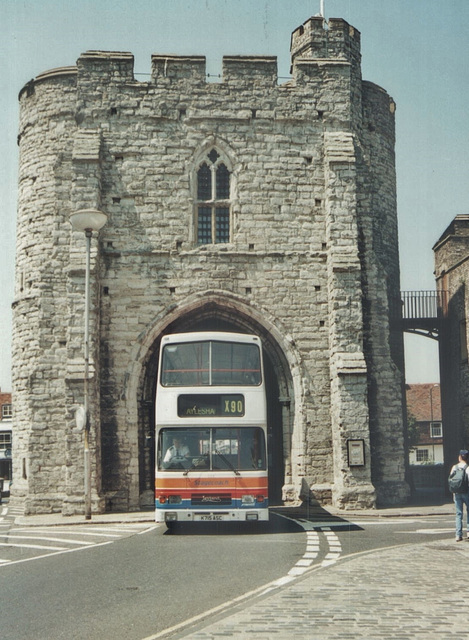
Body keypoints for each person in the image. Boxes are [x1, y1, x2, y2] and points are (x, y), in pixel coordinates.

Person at [450, 449, 469, 541]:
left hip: (457, 493)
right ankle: (468, 532)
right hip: (466, 492)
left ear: (460, 457)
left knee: (459, 514)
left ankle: (458, 535)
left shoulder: (454, 467)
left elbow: (451, 480)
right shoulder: (468, 468)